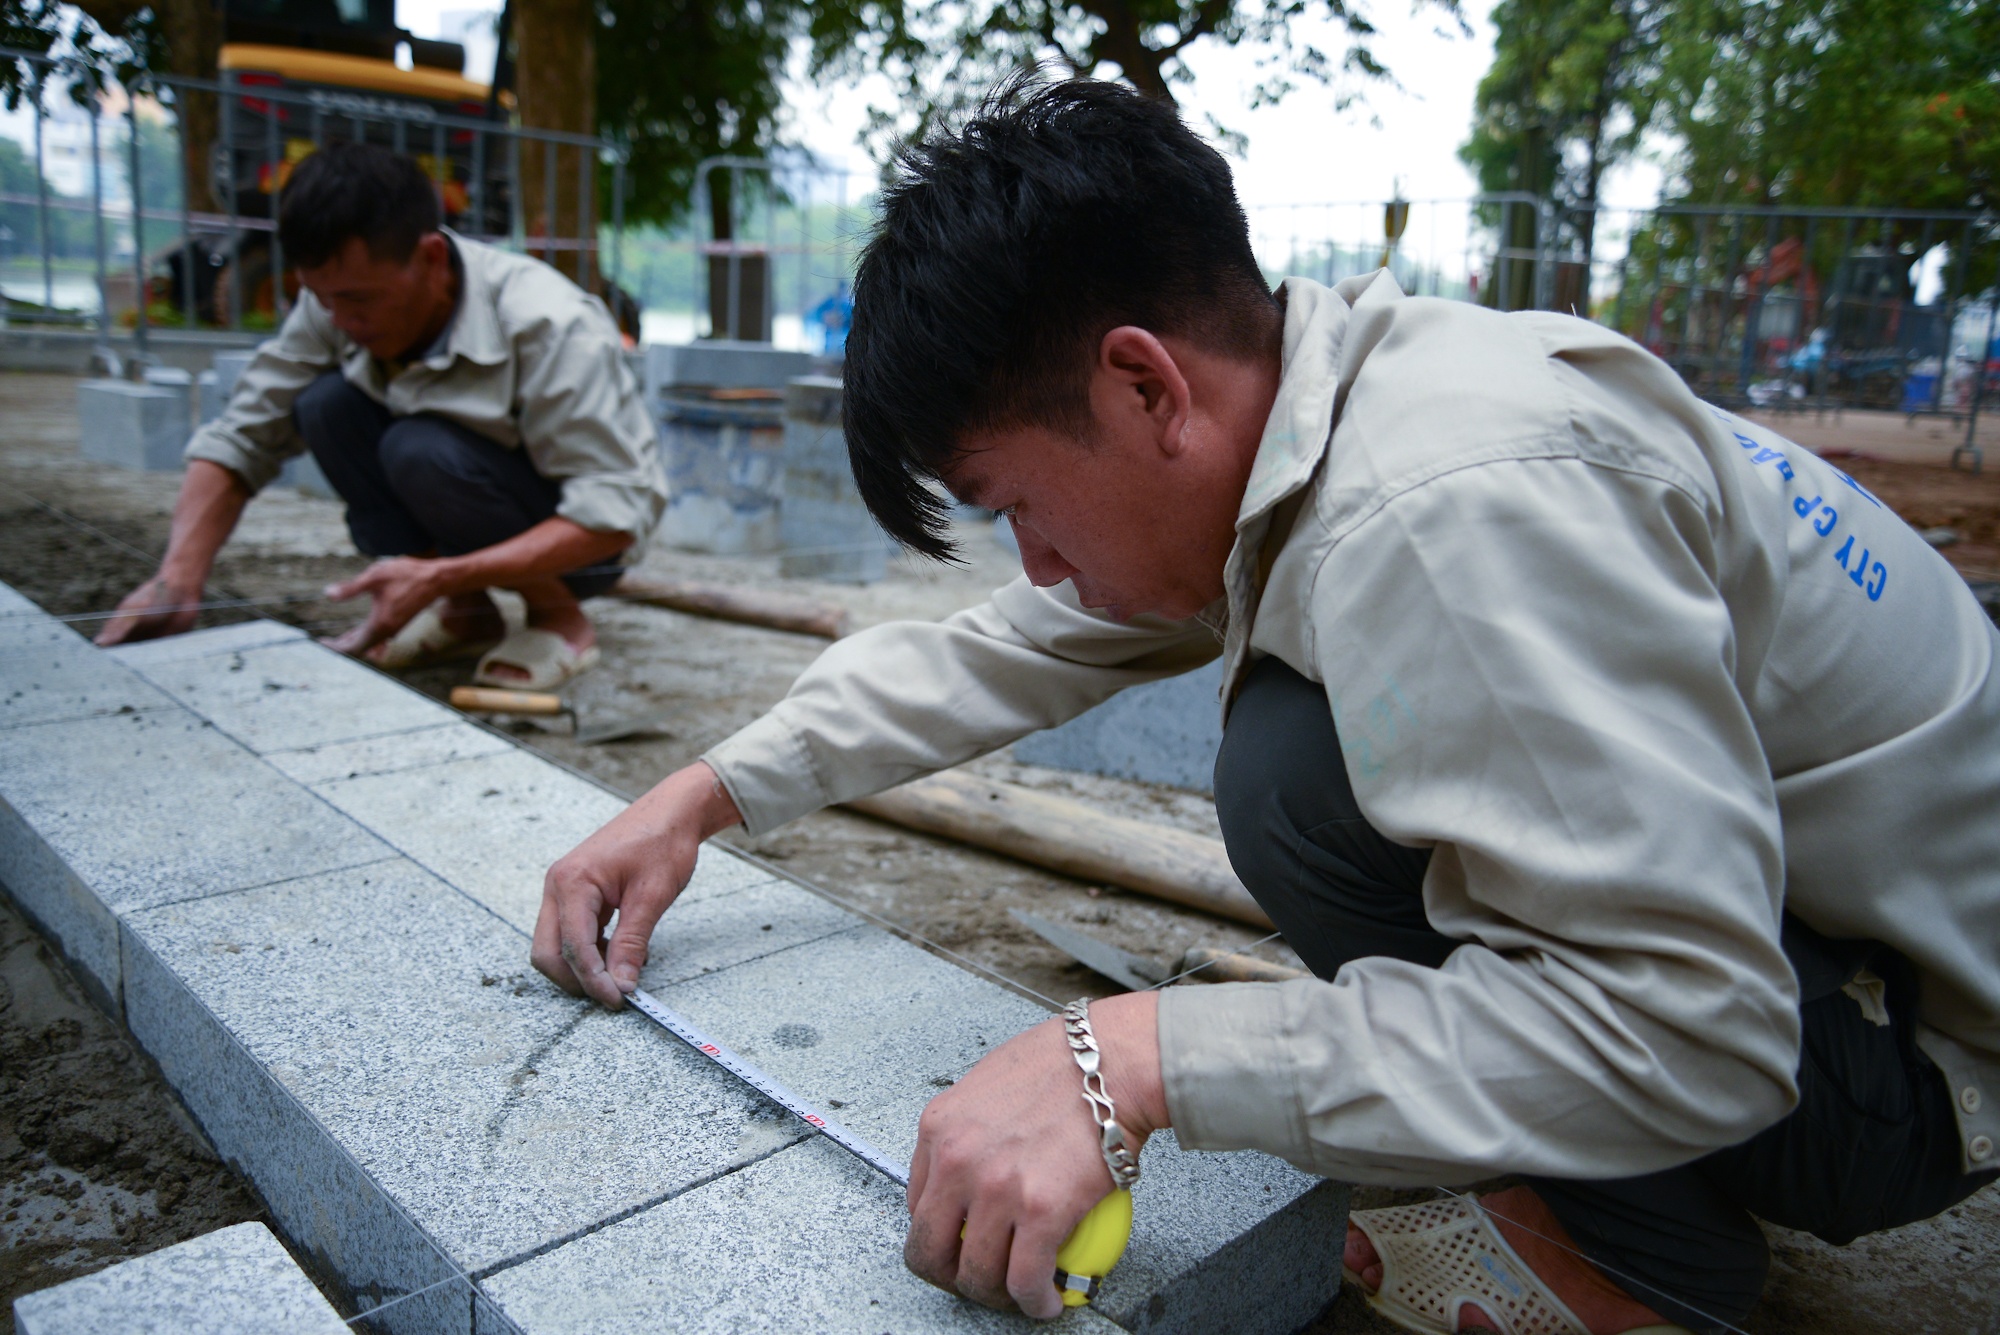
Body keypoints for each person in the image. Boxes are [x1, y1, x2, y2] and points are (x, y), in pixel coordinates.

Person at [532, 79, 2000, 1333]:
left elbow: (1701, 1026)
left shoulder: (1440, 511)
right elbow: (1003, 649)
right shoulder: (1335, 415)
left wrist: (1127, 1059)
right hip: (1816, 951)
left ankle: (1641, 1267)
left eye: (1019, 506)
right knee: (1301, 753)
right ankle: (1614, 1192)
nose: (1038, 564)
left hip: (1910, 1059)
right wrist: (701, 795)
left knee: (1292, 770)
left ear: (1143, 387)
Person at [97, 140, 665, 690]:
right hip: (460, 496)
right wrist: (178, 578)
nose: (340, 319)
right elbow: (244, 434)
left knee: (418, 449)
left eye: (359, 300)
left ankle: (560, 619)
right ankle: (467, 611)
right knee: (324, 406)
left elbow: (609, 514)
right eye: (323, 298)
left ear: (431, 257)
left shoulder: (547, 322)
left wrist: (440, 573)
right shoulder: (338, 303)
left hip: (583, 544)